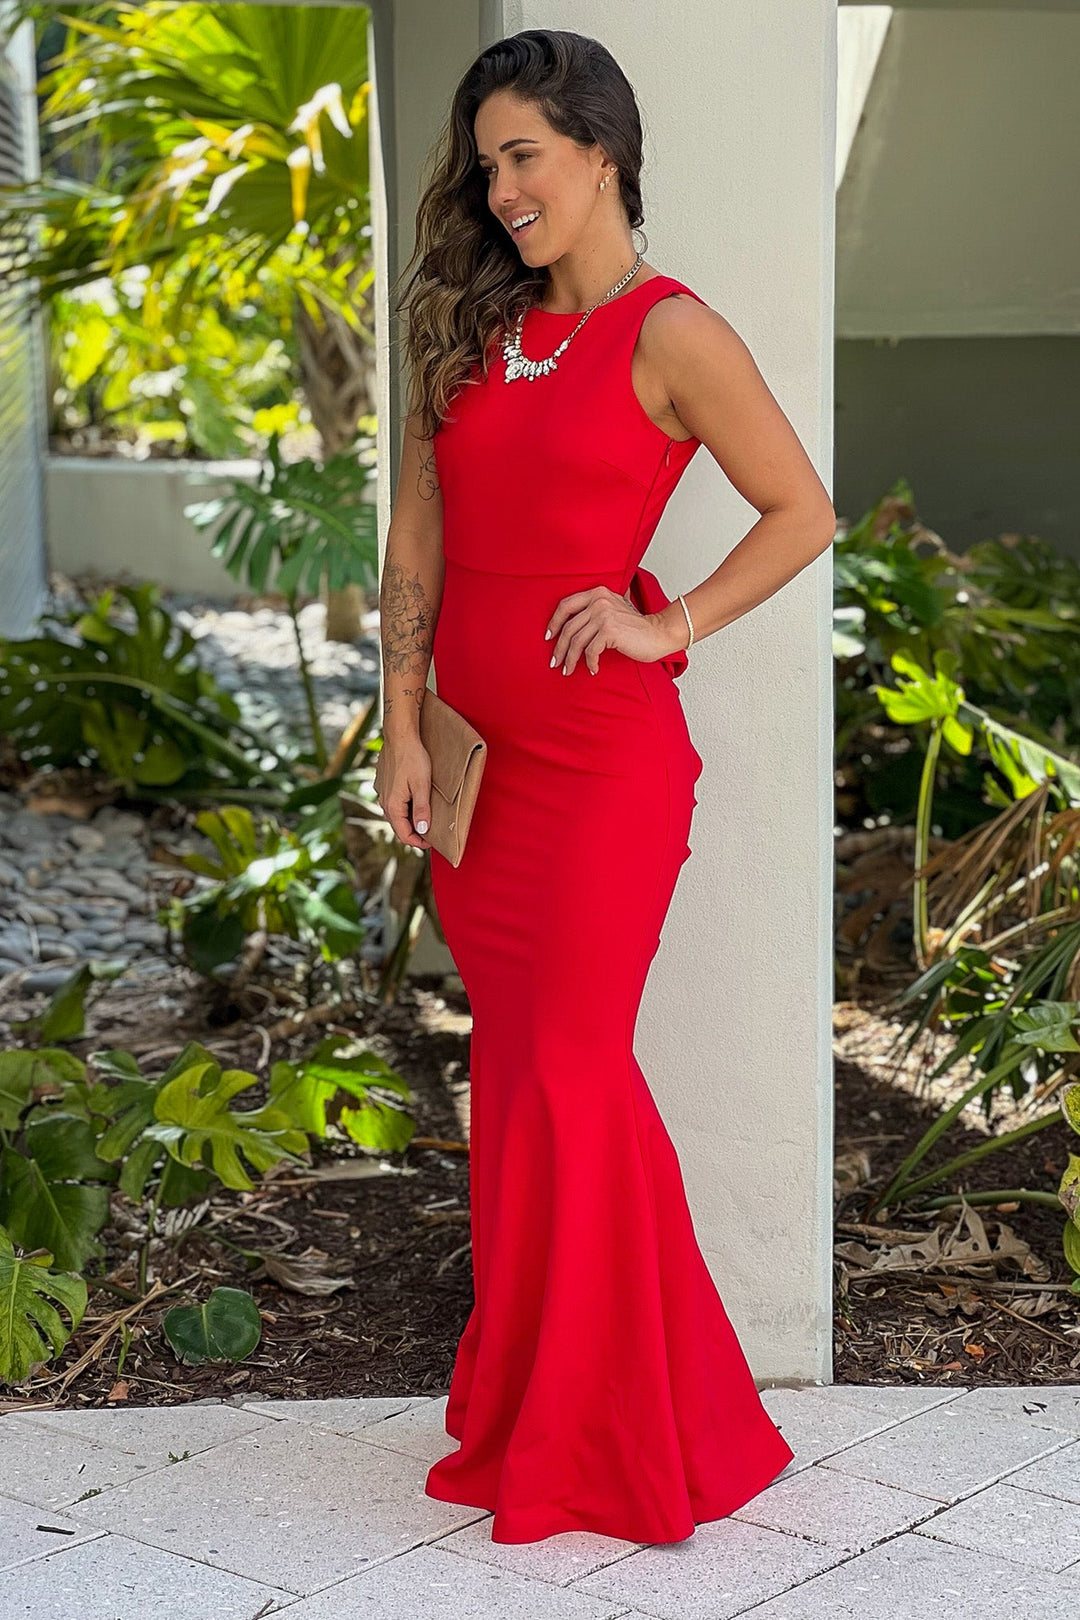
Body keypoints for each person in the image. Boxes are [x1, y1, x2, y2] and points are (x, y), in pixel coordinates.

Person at [375, 28, 834, 1546]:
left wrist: (666, 619)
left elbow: (800, 510)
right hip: (477, 771)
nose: (501, 189)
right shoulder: (473, 326)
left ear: (604, 152)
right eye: (486, 161)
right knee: (513, 1076)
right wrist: (401, 723)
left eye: (525, 156)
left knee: (569, 1071)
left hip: (601, 771)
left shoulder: (668, 331)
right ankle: (530, 1414)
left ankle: (633, 1427)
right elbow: (419, 544)